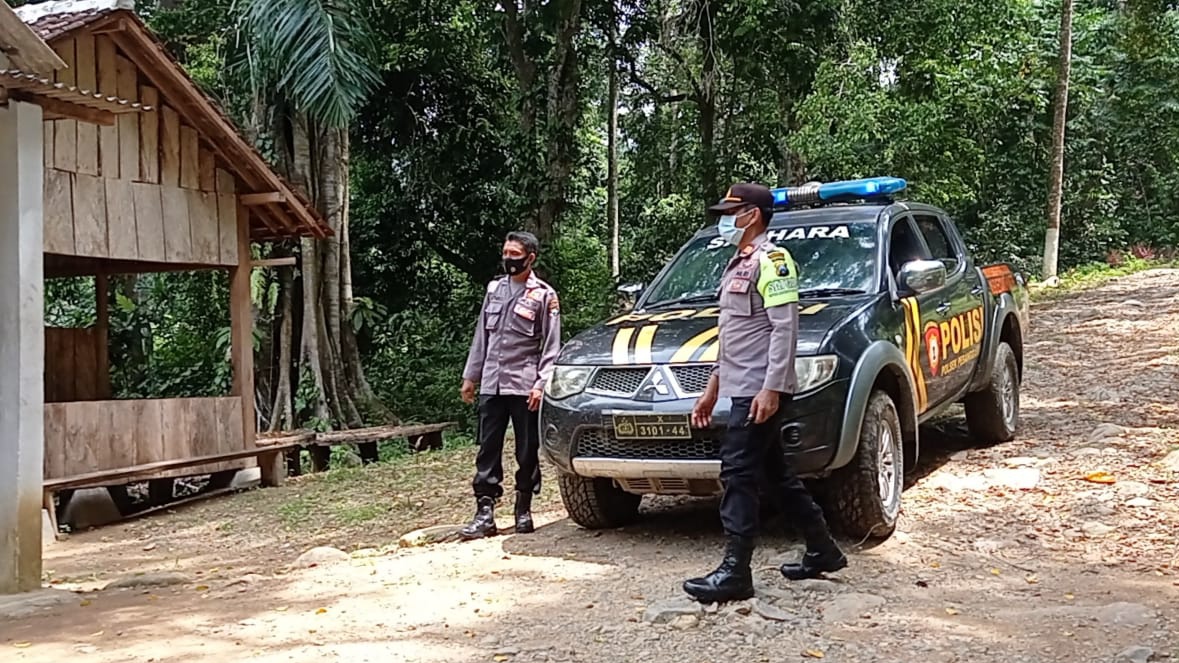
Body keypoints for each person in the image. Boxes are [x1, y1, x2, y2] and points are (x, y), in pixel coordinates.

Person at [683, 183, 847, 603]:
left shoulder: (773, 260)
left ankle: (735, 572)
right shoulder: (737, 263)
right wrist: (711, 389)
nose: (725, 220)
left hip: (760, 388)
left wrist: (772, 388)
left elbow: (784, 329)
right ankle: (822, 549)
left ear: (752, 214)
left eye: (731, 212)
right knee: (773, 475)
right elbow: (735, 336)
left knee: (736, 472)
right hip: (741, 385)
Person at [459, 231, 562, 539]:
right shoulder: (494, 290)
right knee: (487, 448)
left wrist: (541, 384)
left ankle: (523, 508)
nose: (508, 260)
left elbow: (551, 346)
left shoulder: (544, 295)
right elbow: (482, 336)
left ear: (530, 258)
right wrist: (470, 377)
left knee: (527, 449)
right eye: (505, 253)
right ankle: (485, 512)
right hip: (493, 382)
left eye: (515, 255)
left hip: (524, 383)